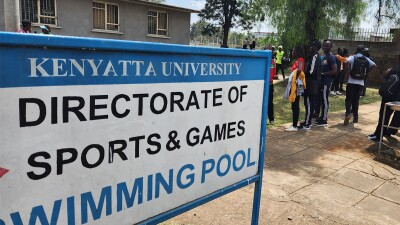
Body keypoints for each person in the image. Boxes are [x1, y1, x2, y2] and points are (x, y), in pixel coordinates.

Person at [368, 54, 400, 141]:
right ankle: (389, 131)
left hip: (390, 97)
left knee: (384, 116)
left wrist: (387, 72)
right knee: (397, 116)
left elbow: (386, 78)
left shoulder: (395, 69)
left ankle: (379, 135)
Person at [343, 45, 376, 125]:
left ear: (356, 50)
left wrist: (347, 72)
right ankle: (356, 117)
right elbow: (374, 65)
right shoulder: (366, 59)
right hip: (361, 82)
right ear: (363, 51)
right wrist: (366, 72)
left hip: (351, 81)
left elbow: (346, 61)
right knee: (356, 100)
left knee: (349, 99)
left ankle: (348, 114)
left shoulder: (353, 57)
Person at [299, 40, 321, 130]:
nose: (310, 48)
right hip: (312, 83)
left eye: (312, 46)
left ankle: (307, 123)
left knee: (308, 103)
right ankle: (307, 120)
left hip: (311, 83)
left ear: (316, 47)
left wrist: (303, 73)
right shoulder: (314, 56)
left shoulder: (315, 57)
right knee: (309, 103)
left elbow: (311, 71)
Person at [314, 40, 337, 127]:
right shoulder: (322, 56)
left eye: (327, 46)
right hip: (320, 82)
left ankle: (324, 119)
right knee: (320, 100)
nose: (325, 47)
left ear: (331, 47)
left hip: (326, 82)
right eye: (324, 45)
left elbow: (334, 70)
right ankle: (321, 116)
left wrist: (323, 74)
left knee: (324, 99)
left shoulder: (331, 57)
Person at [284, 45, 305, 131]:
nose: (293, 52)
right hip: (293, 85)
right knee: (294, 104)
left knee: (295, 105)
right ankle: (294, 124)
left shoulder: (300, 59)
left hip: (296, 85)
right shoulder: (297, 60)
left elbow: (300, 69)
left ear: (297, 51)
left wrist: (295, 77)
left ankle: (294, 125)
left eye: (294, 50)